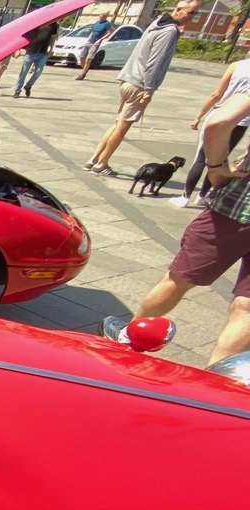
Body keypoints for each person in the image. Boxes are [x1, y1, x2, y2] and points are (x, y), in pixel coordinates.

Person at [102, 91, 250, 368]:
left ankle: (131, 339)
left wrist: (217, 167)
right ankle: (217, 380)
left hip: (237, 210)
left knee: (179, 279)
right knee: (247, 306)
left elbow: (219, 122)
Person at [83, 0, 201, 177]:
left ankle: (93, 160)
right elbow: (155, 62)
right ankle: (101, 163)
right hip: (139, 83)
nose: (191, 16)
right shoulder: (169, 31)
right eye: (190, 12)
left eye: (195, 13)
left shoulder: (156, 23)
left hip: (128, 79)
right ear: (178, 9)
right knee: (122, 126)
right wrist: (149, 90)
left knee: (117, 123)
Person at [173, 57, 250, 208]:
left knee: (201, 158)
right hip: (241, 122)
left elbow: (216, 94)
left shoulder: (236, 66)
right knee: (220, 158)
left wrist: (198, 116)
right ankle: (203, 195)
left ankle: (185, 196)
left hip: (219, 114)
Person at [12, 22, 58, 98]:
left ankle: (28, 86)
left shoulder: (53, 24)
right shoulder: (36, 21)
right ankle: (18, 90)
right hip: (31, 51)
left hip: (42, 52)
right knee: (24, 72)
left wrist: (51, 49)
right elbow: (23, 36)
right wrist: (18, 49)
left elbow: (52, 38)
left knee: (38, 71)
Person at [76, 14, 113, 81]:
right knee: (82, 57)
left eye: (101, 16)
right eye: (100, 16)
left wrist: (100, 39)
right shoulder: (97, 23)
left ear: (105, 16)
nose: (100, 17)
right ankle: (85, 69)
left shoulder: (107, 24)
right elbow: (92, 32)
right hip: (89, 41)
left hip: (95, 43)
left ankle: (82, 74)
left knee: (88, 59)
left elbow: (109, 33)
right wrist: (88, 38)